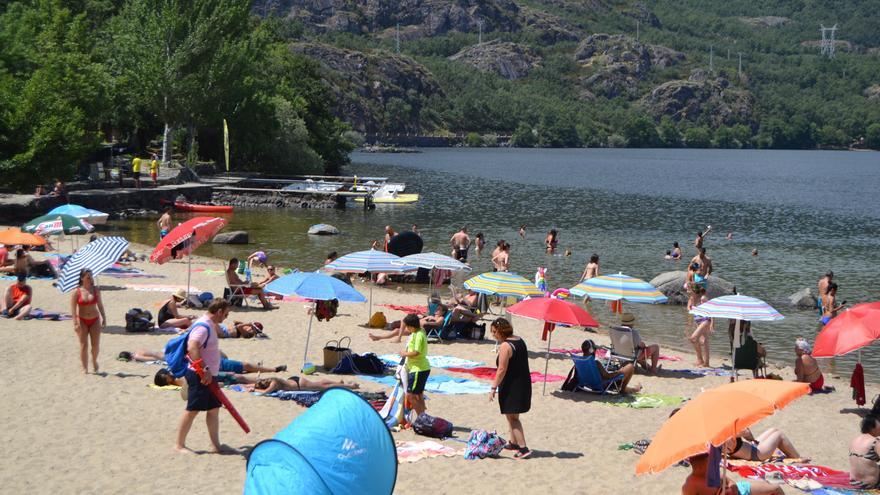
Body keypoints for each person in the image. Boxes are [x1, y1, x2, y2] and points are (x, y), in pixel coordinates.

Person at [174, 298, 231, 454]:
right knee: (192, 410)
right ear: (219, 312)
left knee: (213, 409)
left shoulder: (210, 325)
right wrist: (204, 368)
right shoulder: (204, 326)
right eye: (225, 314)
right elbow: (192, 347)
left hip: (209, 375)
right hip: (199, 374)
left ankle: (215, 445)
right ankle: (179, 445)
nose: (226, 318)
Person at [489, 318, 532, 459]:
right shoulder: (519, 340)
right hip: (522, 384)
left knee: (513, 419)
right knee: (511, 416)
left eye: (495, 332)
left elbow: (501, 369)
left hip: (512, 386)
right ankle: (513, 442)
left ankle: (523, 448)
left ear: (501, 331)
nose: (493, 335)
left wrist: (493, 387)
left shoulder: (506, 346)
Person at [682, 452, 783, 495]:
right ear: (698, 465)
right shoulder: (690, 485)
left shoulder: (713, 472)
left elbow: (732, 483)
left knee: (776, 487)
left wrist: (731, 488)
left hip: (740, 491)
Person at [70, 269, 106, 374]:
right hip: (82, 320)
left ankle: (94, 361)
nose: (90, 278)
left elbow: (100, 304)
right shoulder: (76, 292)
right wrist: (75, 323)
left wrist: (104, 317)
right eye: (88, 276)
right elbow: (73, 309)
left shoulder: (96, 290)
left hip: (95, 320)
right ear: (82, 278)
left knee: (95, 346)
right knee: (83, 345)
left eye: (91, 276)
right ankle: (84, 367)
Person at [399, 314, 429, 417]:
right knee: (418, 395)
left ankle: (422, 417)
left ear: (411, 326)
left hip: (418, 369)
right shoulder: (418, 332)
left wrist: (404, 354)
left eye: (407, 327)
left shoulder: (419, 335)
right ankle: (423, 416)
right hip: (418, 368)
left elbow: (416, 352)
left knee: (410, 396)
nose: (407, 329)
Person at [370, 305, 448, 342]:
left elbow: (438, 324)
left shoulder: (441, 318)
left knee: (404, 321)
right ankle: (378, 337)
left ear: (443, 312)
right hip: (416, 327)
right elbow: (421, 320)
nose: (436, 310)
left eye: (439, 309)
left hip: (422, 329)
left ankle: (399, 339)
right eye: (437, 309)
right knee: (397, 330)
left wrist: (428, 322)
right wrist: (425, 318)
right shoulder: (431, 316)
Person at [723, 427, 802, 462]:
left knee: (774, 429)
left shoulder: (723, 435)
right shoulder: (728, 436)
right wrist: (741, 429)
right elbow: (748, 434)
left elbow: (749, 438)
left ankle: (791, 455)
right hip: (757, 454)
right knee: (779, 434)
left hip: (752, 447)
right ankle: (797, 458)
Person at [850, 414, 880, 489]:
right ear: (872, 428)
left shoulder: (855, 440)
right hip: (870, 485)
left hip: (854, 483)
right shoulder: (875, 442)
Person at [248, 376, 360, 393]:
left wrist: (256, 390)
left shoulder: (274, 384)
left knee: (325, 387)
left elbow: (266, 392)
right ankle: (338, 382)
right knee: (320, 383)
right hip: (296, 380)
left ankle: (352, 386)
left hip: (299, 385)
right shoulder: (273, 379)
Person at [689, 295, 713, 367]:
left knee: (693, 338)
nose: (702, 302)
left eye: (704, 300)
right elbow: (696, 320)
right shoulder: (698, 308)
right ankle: (706, 362)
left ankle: (700, 360)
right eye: (702, 300)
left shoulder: (708, 307)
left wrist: (712, 324)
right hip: (700, 323)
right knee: (704, 341)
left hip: (706, 321)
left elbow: (712, 316)